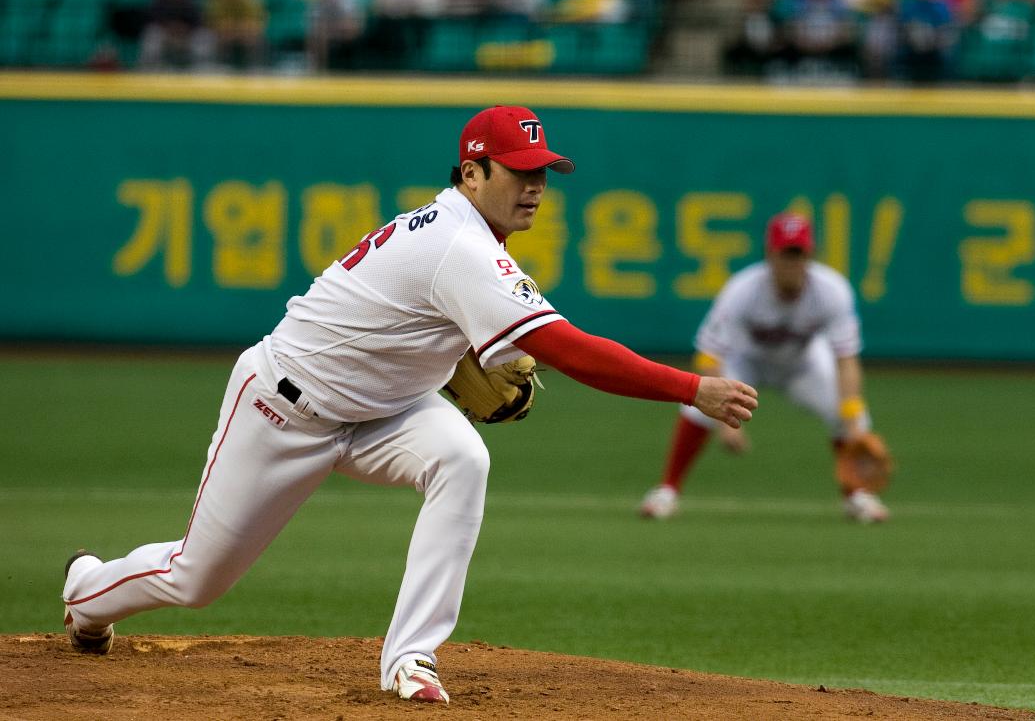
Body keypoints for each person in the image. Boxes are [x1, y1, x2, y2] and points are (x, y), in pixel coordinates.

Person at [60, 106, 758, 705]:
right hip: (283, 407)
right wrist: (693, 387)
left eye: (542, 170)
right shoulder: (462, 246)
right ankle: (87, 591)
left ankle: (410, 657)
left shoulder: (468, 237)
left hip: (383, 411)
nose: (535, 185)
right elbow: (570, 350)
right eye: (519, 170)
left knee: (461, 456)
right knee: (196, 578)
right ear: (472, 173)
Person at [639, 212, 889, 524]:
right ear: (770, 254)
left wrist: (851, 418)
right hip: (748, 361)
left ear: (811, 254)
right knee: (696, 402)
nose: (792, 262)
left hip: (803, 363)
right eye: (786, 253)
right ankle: (667, 490)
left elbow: (846, 360)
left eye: (799, 254)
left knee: (853, 413)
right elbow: (708, 357)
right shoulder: (743, 290)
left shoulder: (832, 290)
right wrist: (724, 423)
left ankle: (858, 495)